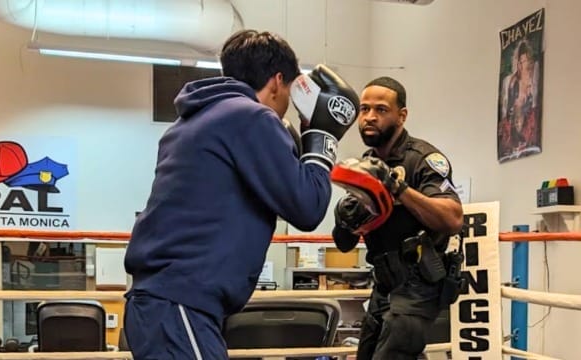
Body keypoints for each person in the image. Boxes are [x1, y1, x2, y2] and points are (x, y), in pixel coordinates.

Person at [122, 29, 359, 359]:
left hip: (167, 303)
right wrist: (321, 140)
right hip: (180, 303)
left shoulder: (194, 120)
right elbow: (308, 206)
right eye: (290, 91)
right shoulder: (251, 117)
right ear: (277, 81)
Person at [331, 76, 463, 360]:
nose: (369, 117)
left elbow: (453, 218)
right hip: (384, 286)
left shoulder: (422, 159)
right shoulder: (365, 165)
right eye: (364, 109)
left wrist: (397, 187)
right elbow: (343, 244)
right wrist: (347, 219)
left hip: (419, 287)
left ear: (401, 116)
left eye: (380, 110)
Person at [498, 39, 541, 160]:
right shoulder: (510, 86)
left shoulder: (533, 91)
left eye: (531, 67)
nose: (530, 72)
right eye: (527, 68)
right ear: (519, 66)